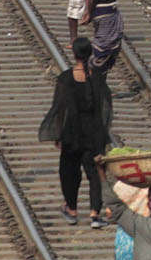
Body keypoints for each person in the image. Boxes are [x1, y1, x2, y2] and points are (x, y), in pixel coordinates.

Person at [48, 35, 112, 224]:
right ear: (90, 54)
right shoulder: (97, 78)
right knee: (94, 172)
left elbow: (59, 108)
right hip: (93, 132)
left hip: (72, 132)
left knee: (69, 171)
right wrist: (102, 132)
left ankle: (72, 209)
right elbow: (105, 106)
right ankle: (94, 213)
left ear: (74, 54)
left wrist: (59, 135)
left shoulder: (66, 78)